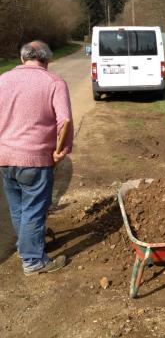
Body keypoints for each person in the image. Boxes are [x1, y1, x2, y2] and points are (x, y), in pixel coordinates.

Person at [0, 40, 73, 276]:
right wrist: (63, 149)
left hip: (6, 158)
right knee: (34, 210)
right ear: (47, 60)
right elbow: (65, 121)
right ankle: (33, 261)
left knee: (18, 207)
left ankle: (27, 246)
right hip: (36, 159)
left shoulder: (3, 80)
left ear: (22, 59)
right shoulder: (54, 82)